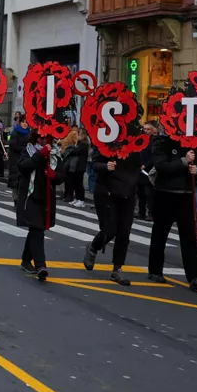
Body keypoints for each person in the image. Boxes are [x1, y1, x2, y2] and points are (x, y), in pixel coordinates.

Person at [146, 132, 197, 290]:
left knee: (189, 235)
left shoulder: (194, 142)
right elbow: (161, 165)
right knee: (160, 233)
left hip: (186, 194)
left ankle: (196, 276)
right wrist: (183, 161)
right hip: (165, 192)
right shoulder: (162, 142)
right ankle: (155, 270)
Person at [84, 143, 141, 285]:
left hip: (128, 192)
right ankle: (93, 247)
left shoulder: (135, 142)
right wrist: (106, 167)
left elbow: (142, 161)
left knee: (124, 232)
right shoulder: (106, 140)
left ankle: (117, 269)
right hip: (107, 191)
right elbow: (95, 163)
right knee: (109, 229)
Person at [16, 134, 55, 280]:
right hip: (30, 195)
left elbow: (61, 175)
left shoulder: (54, 152)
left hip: (45, 196)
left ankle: (26, 259)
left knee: (35, 228)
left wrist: (54, 175)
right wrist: (41, 154)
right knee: (37, 229)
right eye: (40, 138)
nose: (43, 141)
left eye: (46, 138)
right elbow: (24, 166)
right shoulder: (28, 150)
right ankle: (41, 265)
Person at [135, 122, 157, 221]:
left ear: (153, 130)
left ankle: (151, 213)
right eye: (145, 129)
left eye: (148, 129)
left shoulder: (154, 141)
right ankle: (141, 212)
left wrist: (146, 165)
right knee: (140, 193)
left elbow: (154, 157)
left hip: (148, 171)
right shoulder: (140, 139)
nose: (146, 131)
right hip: (139, 169)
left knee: (149, 193)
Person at [61, 128, 88, 207]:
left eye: (79, 134)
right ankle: (77, 198)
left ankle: (81, 200)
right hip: (76, 166)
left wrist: (72, 148)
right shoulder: (79, 143)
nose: (77, 136)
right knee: (76, 183)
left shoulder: (84, 144)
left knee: (79, 184)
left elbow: (76, 151)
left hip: (80, 166)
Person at [6, 112, 31, 192]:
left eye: (26, 122)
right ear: (20, 122)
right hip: (16, 160)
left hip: (26, 160)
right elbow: (13, 146)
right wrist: (25, 149)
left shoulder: (30, 133)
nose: (25, 124)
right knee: (16, 182)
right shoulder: (15, 132)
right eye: (23, 122)